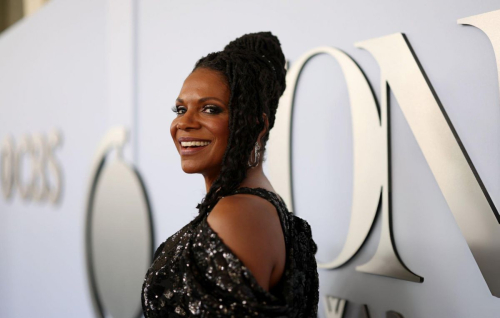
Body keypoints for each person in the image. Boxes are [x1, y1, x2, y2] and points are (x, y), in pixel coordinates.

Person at [141, 31, 319, 317]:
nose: (183, 123)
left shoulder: (237, 214)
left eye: (210, 109)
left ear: (256, 125)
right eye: (180, 109)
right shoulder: (255, 206)